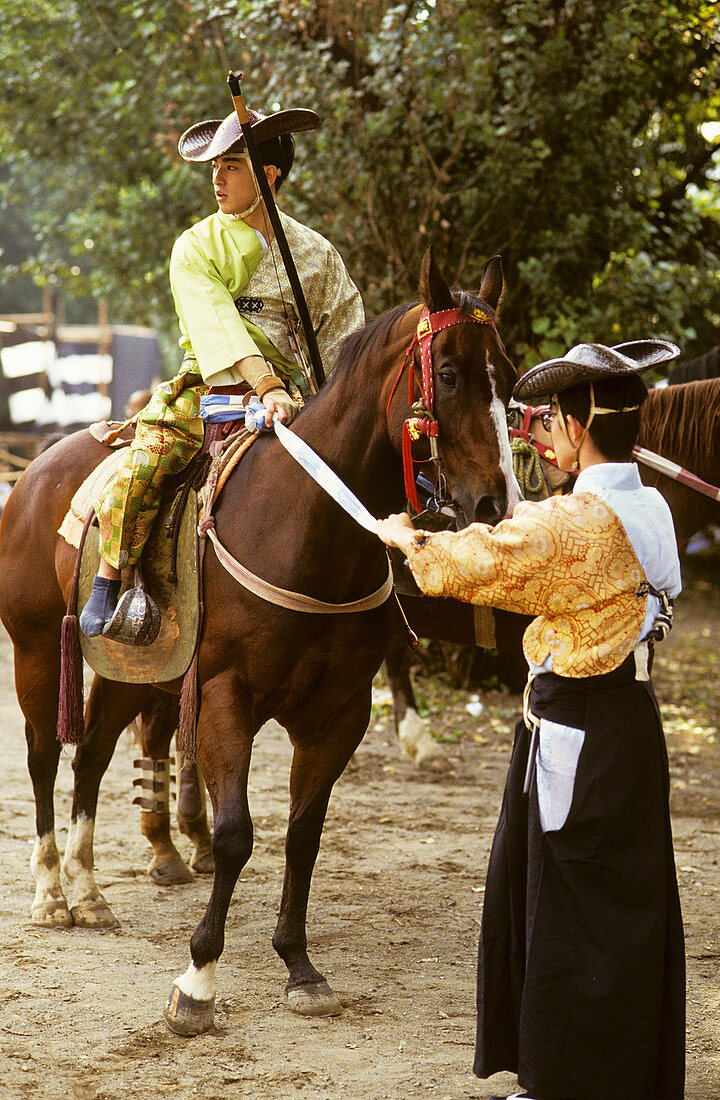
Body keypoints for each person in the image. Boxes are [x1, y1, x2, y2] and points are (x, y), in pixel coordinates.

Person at [375, 340, 686, 1100]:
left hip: (577, 727)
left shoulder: (578, 521)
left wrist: (409, 542)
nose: (541, 436)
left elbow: (485, 560)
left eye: (550, 422)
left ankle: (561, 1082)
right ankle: (622, 1075)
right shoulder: (650, 506)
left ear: (581, 427)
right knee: (624, 898)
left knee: (570, 901)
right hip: (628, 726)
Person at [80, 102, 364, 637]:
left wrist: (337, 402)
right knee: (148, 464)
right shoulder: (194, 247)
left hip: (291, 400)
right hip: (208, 389)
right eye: (214, 166)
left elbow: (344, 342)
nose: (216, 177)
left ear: (268, 174)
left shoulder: (317, 255)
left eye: (230, 165)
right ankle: (110, 577)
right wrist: (266, 384)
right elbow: (217, 328)